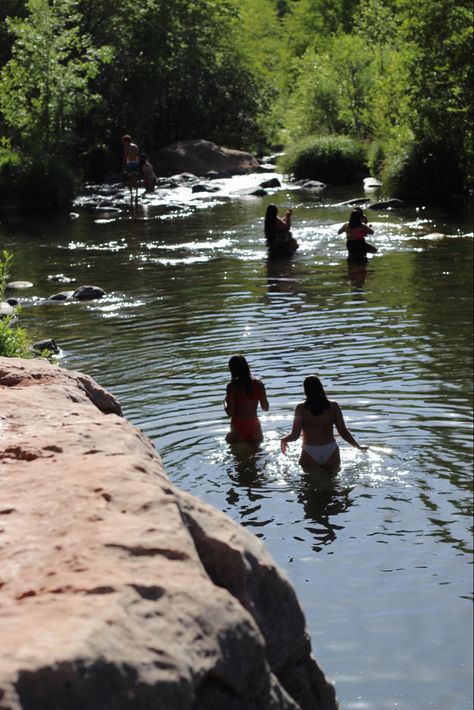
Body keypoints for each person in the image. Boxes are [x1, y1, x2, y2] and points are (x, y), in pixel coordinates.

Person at [280, 375, 367, 469]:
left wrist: (283, 439)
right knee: (332, 482)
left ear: (305, 390)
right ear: (321, 388)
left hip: (309, 450)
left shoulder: (301, 408)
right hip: (330, 449)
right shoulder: (333, 406)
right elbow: (343, 432)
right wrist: (358, 447)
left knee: (310, 482)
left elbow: (295, 435)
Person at [224, 354, 269, 446]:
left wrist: (224, 403)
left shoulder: (232, 387)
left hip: (238, 427)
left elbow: (230, 412)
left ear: (232, 369)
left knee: (238, 459)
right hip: (254, 426)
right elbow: (265, 408)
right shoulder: (258, 384)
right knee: (256, 457)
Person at [122, 134, 140, 203]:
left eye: (124, 142)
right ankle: (136, 193)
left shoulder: (126, 148)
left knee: (130, 178)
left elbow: (125, 158)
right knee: (135, 178)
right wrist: (139, 164)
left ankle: (132, 194)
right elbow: (138, 156)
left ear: (126, 141)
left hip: (130, 163)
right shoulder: (135, 146)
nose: (123, 143)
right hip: (136, 162)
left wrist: (124, 166)